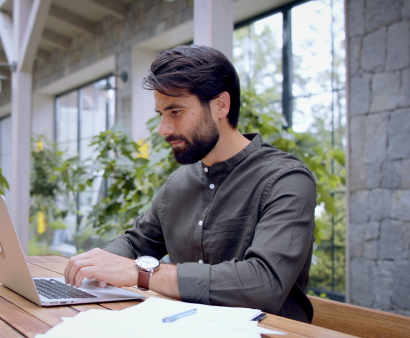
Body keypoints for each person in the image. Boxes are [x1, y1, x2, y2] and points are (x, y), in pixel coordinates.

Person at [63, 45, 316, 323]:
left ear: (221, 105)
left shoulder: (286, 180)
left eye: (176, 111)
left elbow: (262, 284)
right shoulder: (179, 183)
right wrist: (96, 263)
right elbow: (136, 244)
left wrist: (142, 273)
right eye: (161, 113)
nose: (164, 129)